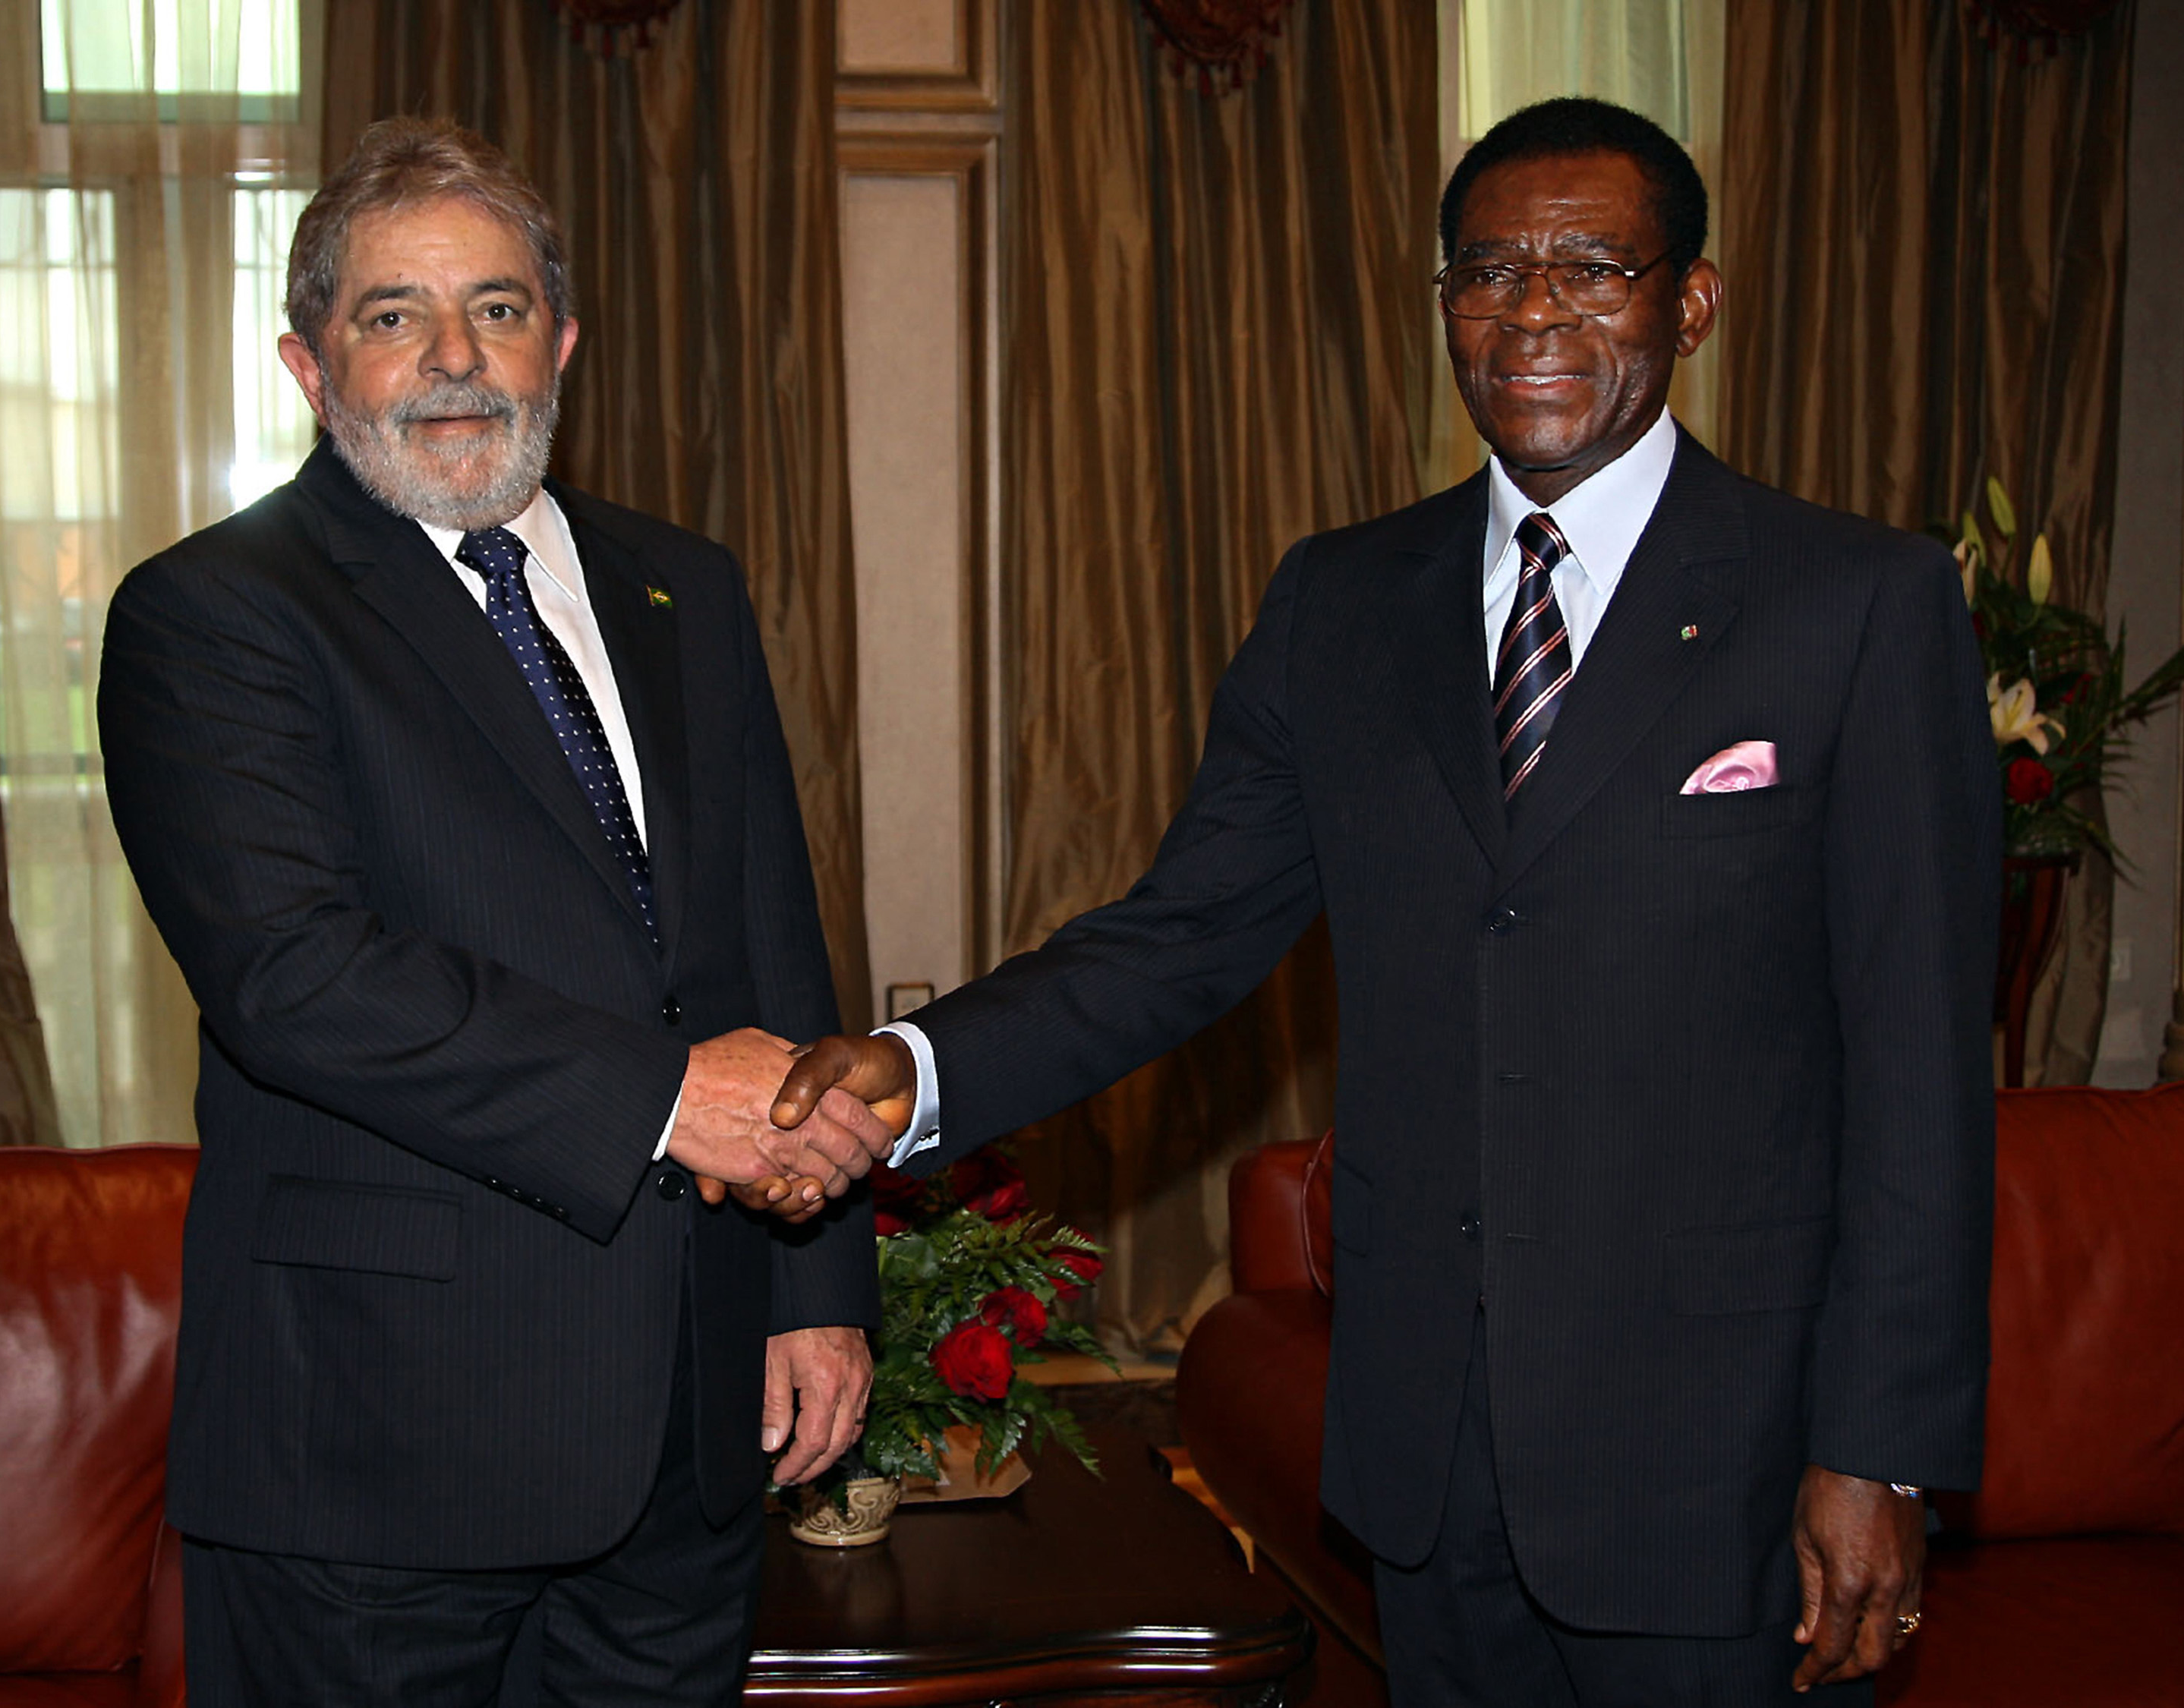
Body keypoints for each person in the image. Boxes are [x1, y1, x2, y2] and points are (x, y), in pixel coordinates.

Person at [773, 97, 2000, 1706]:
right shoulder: (1342, 604)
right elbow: (1180, 935)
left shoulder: (1857, 605)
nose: (1533, 312)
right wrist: (913, 1070)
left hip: (1719, 1462)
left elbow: (1920, 1072)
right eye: (1489, 272)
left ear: (1690, 300)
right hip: (1431, 1456)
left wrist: (1880, 1452)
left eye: (1591, 268)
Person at [98, 117, 891, 1706]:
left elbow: (771, 946)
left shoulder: (689, 587)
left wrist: (814, 1288)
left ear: (564, 343)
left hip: (686, 1432)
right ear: (311, 365)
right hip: (379, 1461)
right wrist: (672, 1100)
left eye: (501, 309)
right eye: (393, 315)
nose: (455, 358)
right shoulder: (213, 612)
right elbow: (297, 977)